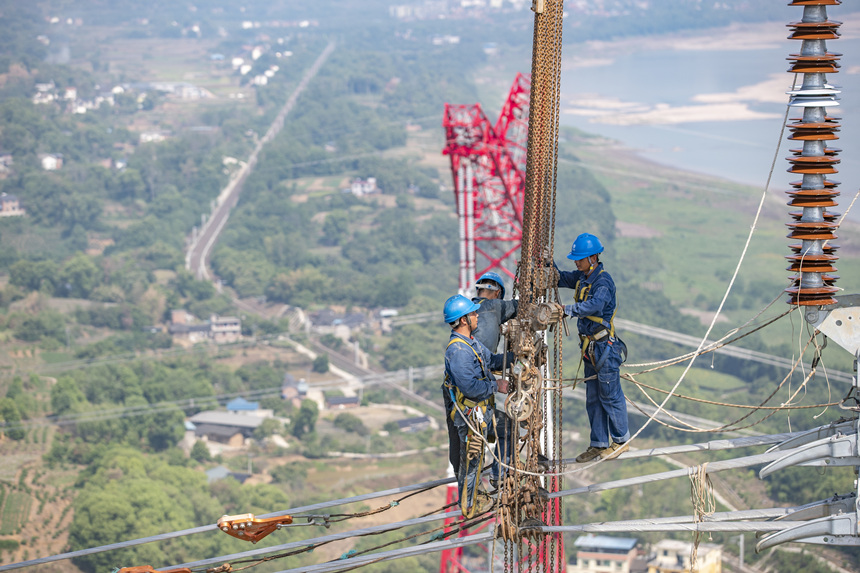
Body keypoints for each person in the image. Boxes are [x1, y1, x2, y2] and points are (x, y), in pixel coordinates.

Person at [555, 233, 629, 462]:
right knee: (594, 397)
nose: (577, 262)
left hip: (604, 347)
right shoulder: (582, 277)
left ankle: (621, 442)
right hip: (591, 348)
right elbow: (560, 278)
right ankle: (598, 443)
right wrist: (549, 265)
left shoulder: (603, 282)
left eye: (580, 259)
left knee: (610, 395)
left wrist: (568, 309)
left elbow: (596, 304)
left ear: (593, 258)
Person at [442, 294, 510, 517]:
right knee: (471, 462)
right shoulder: (458, 352)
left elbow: (491, 361)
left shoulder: (471, 344)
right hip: (471, 416)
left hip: (481, 412)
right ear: (463, 320)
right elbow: (470, 388)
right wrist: (496, 386)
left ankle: (499, 476)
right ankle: (470, 506)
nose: (477, 316)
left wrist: (514, 357)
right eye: (472, 313)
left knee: (507, 429)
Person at [471, 272, 518, 490]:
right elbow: (519, 307)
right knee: (507, 429)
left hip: (462, 401)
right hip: (477, 401)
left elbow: (487, 360)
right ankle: (500, 477)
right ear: (498, 293)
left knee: (470, 450)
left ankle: (472, 490)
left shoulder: (468, 312)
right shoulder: (495, 307)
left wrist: (509, 359)